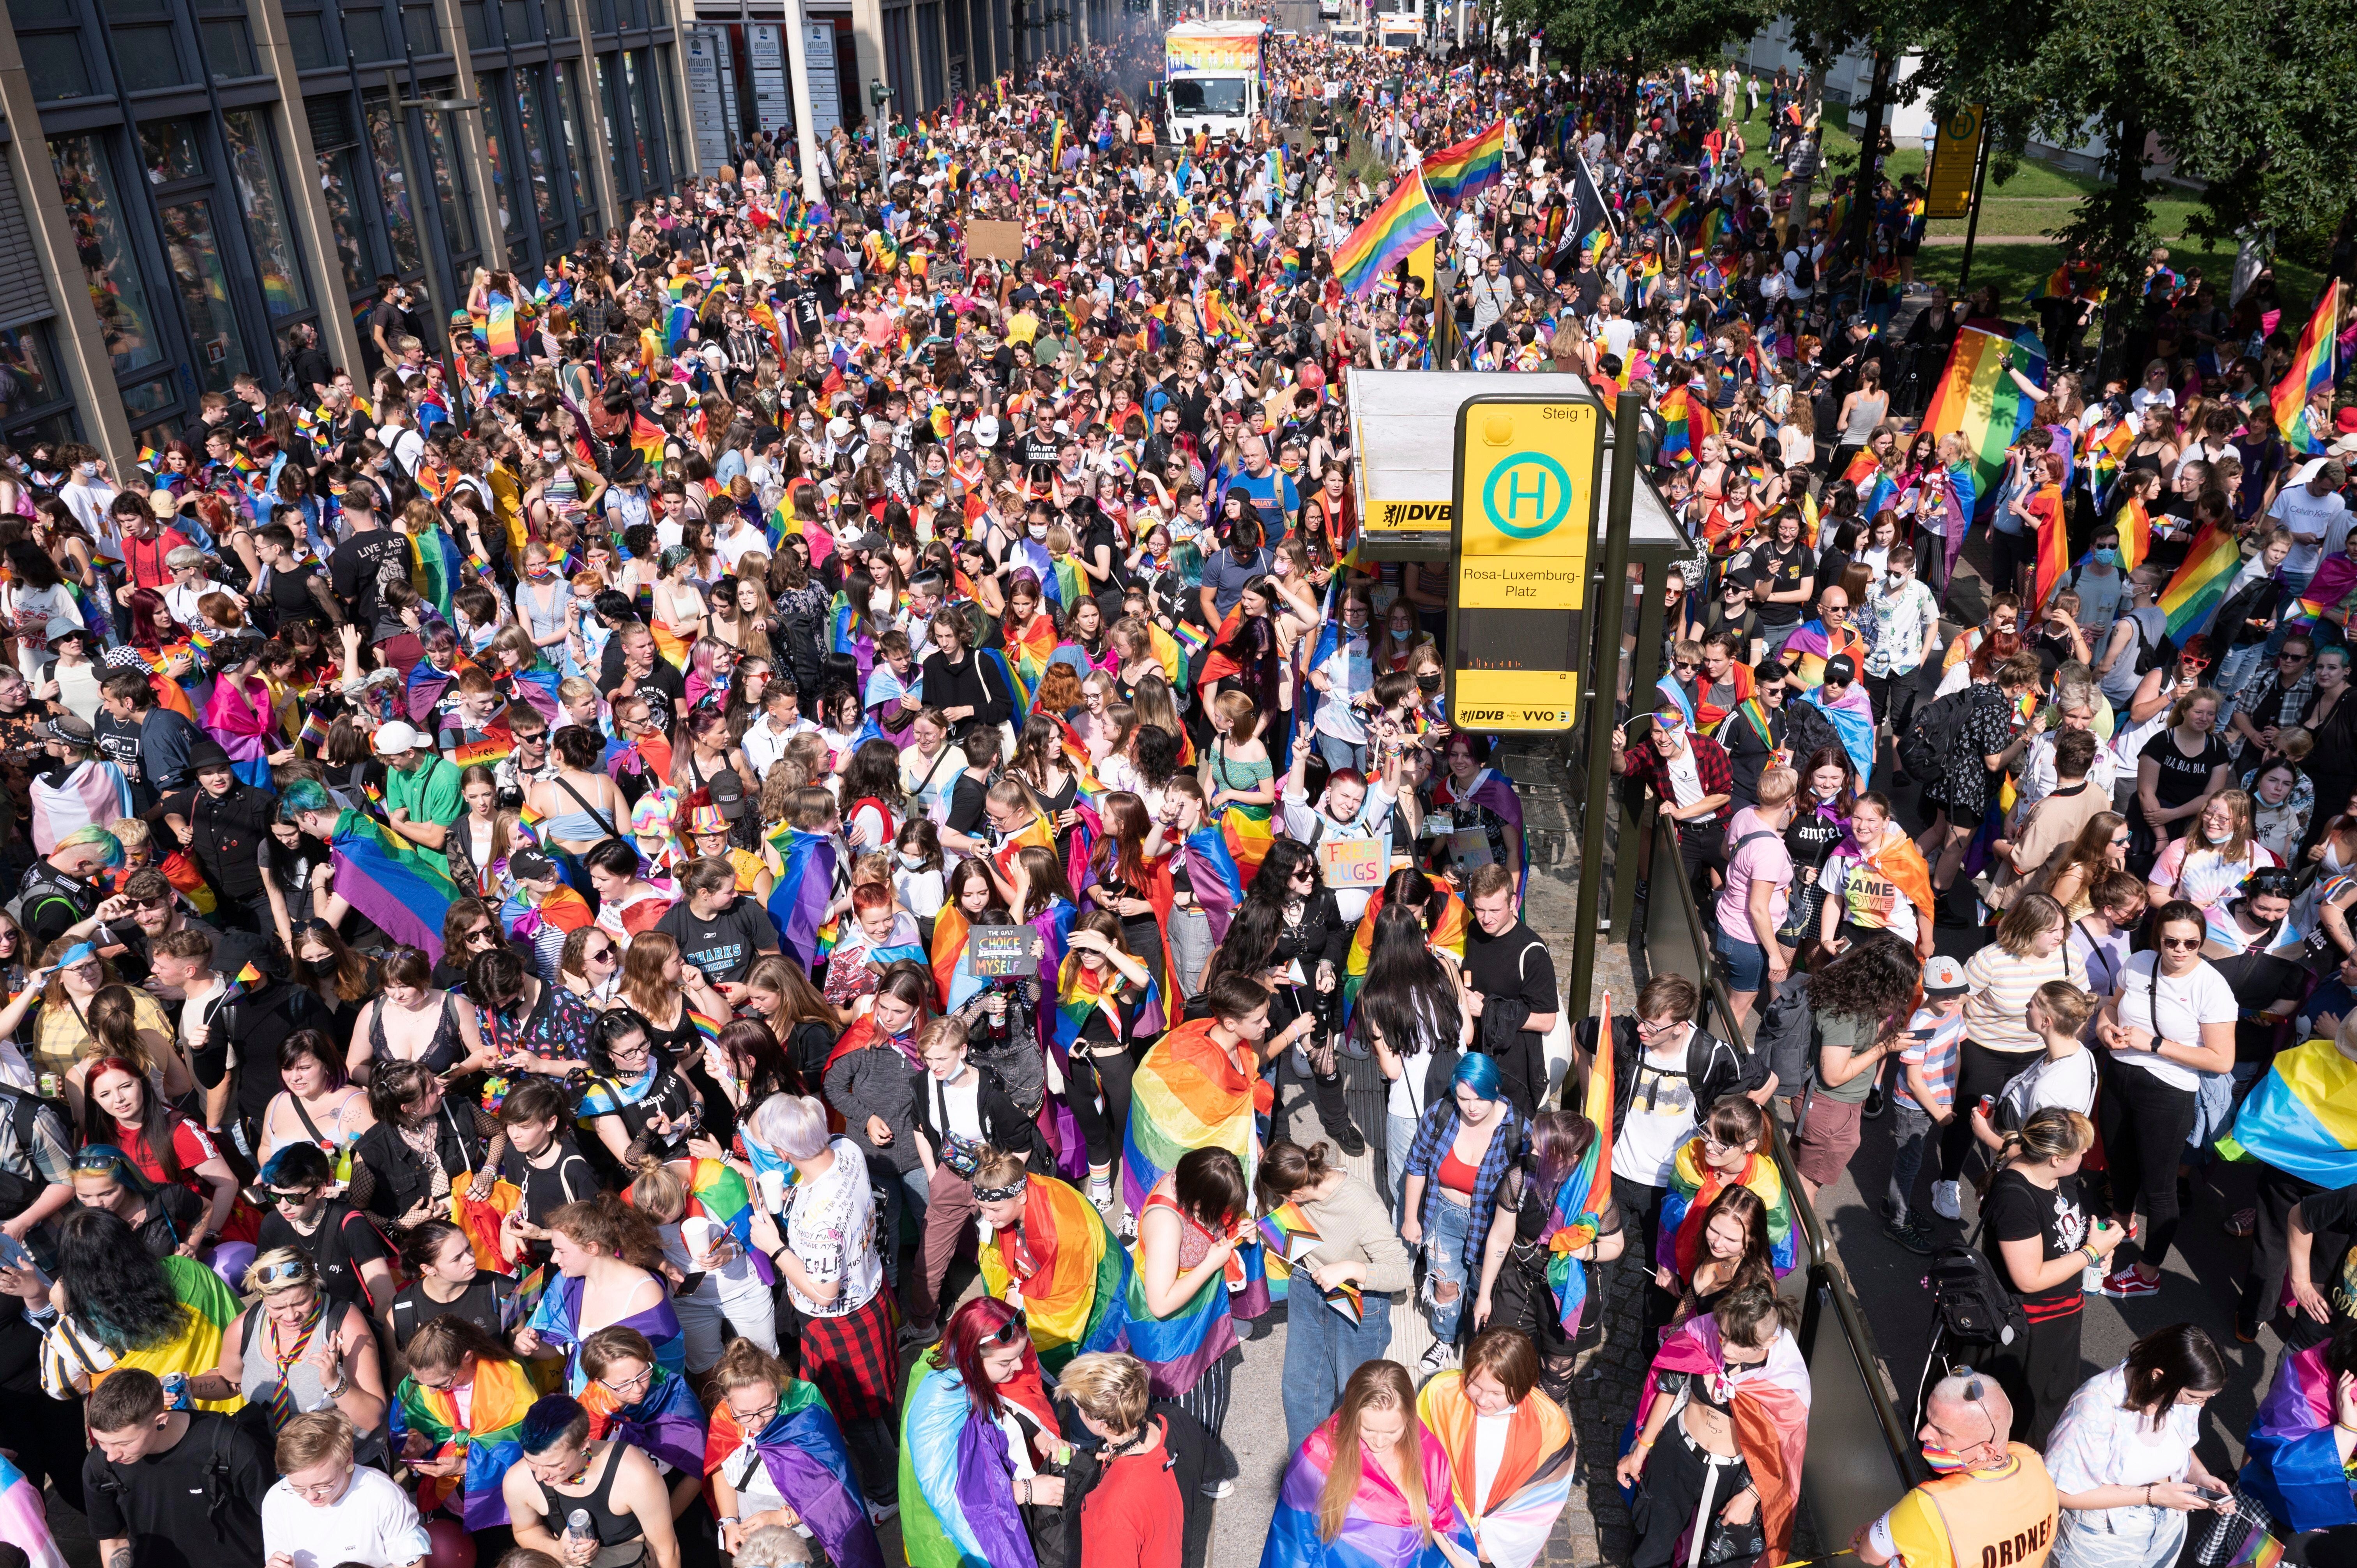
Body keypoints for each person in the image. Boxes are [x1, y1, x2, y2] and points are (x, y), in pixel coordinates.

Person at [740, 1094, 900, 1514]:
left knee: (857, 1414)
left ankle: (887, 1492)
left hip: (837, 1318)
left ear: (782, 1152)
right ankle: (899, 1455)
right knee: (880, 1397)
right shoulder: (846, 1148)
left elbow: (824, 1290)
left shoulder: (819, 1218)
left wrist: (774, 1248)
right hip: (872, 1294)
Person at [2092, 898, 2236, 1300]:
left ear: (2201, 943)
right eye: (2172, 941)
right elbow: (2112, 1005)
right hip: (2120, 1075)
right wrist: (2106, 1029)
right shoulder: (2139, 962)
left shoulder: (2212, 987)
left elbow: (2222, 1059)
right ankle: (2122, 1222)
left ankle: (2148, 1271)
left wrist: (2155, 1044)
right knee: (2118, 1162)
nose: (2180, 950)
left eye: (2191, 944)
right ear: (2159, 937)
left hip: (2169, 1091)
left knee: (2159, 1187)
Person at [1618, 1285, 1813, 1568]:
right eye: (1724, 1333)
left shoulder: (1786, 1385)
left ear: (1769, 1342)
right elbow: (1669, 1387)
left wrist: (1751, 1496)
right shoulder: (1702, 1334)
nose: (1726, 1347)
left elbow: (1785, 1452)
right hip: (1677, 1454)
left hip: (1732, 1477)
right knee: (1651, 1544)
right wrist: (1641, 1451)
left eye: (1741, 1344)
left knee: (1720, 1557)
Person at [1969, 1108, 2122, 1447]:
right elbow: (2029, 1279)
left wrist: (2097, 1248)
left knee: (2051, 1405)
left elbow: (2070, 1234)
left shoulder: (2059, 1176)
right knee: (2016, 1417)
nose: (2086, 1156)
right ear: (2054, 1158)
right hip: (2027, 1329)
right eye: (2081, 1151)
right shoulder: (2015, 1198)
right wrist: (2091, 1253)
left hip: (2064, 1315)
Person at [1256, 1138, 1414, 1454]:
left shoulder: (1362, 1206)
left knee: (1353, 1397)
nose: (1281, 1202)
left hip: (1356, 1303)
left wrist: (1350, 1268)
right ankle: (1307, 1474)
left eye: (1283, 1197)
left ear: (1298, 1193)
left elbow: (1401, 1272)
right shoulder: (1303, 1182)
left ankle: (1350, 1475)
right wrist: (1262, 1230)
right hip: (1307, 1286)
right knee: (1300, 1391)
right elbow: (1293, 1230)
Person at [2043, 1324, 2235, 1568]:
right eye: (2193, 1396)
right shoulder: (2096, 1405)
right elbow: (2063, 1491)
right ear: (2158, 1376)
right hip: (2102, 1537)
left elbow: (2180, 1444)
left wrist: (2200, 1476)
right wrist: (2152, 1496)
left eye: (2209, 1398)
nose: (2200, 1406)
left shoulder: (2181, 1397)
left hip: (2168, 1524)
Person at [898, 1294, 1068, 1568]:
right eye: (1006, 1363)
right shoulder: (936, 1406)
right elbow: (953, 1501)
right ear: (972, 1357)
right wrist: (1026, 1491)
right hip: (955, 1545)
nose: (1020, 1367)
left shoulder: (961, 1371)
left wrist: (1039, 1435)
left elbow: (1001, 1406)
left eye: (1020, 1355)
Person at [1258, 1359, 1473, 1568]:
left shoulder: (1427, 1452)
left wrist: (1460, 1561)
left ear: (1409, 1419)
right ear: (1352, 1416)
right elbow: (1294, 1538)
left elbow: (1438, 1517)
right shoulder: (1319, 1455)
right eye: (1368, 1430)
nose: (1379, 1442)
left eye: (1392, 1432)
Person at [702, 1337, 886, 1568]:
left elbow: (835, 1490)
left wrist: (782, 1517)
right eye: (744, 1413)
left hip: (811, 1541)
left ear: (778, 1389)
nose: (757, 1422)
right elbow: (722, 1469)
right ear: (727, 1401)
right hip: (757, 1548)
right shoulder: (725, 1418)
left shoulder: (805, 1411)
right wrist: (729, 1521)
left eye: (767, 1408)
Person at [1852, 1372, 2061, 1568]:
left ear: (1986, 1452)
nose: (1924, 1434)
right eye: (1929, 1420)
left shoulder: (1930, 1504)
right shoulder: (2032, 1460)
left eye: (1941, 1431)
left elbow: (1870, 1553)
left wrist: (1891, 1525)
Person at [1401, 1054, 1524, 1376]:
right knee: (1445, 1284)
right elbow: (1416, 1164)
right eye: (1463, 1097)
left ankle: (1477, 1349)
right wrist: (1411, 1218)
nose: (1471, 1107)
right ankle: (1445, 1338)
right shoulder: (1441, 1114)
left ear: (1496, 1089)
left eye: (1481, 1099)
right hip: (1443, 1214)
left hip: (1489, 1222)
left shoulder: (1518, 1129)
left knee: (1484, 1290)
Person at [1416, 1328, 1576, 1568]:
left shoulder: (1550, 1427)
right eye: (1475, 1385)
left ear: (1522, 1388)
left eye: (1496, 1393)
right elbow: (1419, 1460)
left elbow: (1542, 1504)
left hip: (1496, 1549)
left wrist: (1491, 1546)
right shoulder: (1441, 1395)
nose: (1482, 1400)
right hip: (1442, 1526)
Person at [82, 1368, 274, 1568]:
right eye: (102, 1442)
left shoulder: (230, 1446)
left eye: (124, 1443)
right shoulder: (100, 1466)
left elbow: (274, 1519)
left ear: (161, 1421)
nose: (112, 1455)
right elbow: (113, 1541)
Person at [972, 1147, 1133, 1374]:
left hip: (1097, 1295)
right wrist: (1012, 1287)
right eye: (982, 1208)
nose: (987, 1217)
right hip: (1039, 1278)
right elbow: (997, 1260)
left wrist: (1022, 1301)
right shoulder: (1006, 1203)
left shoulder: (1063, 1224)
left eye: (995, 1209)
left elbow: (1069, 1296)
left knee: (1093, 1363)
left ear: (1022, 1197)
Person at [392, 1315, 542, 1533]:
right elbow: (408, 1427)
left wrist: (466, 1467)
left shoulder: (508, 1384)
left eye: (442, 1383)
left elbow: (525, 1451)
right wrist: (423, 1444)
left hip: (502, 1503)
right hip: (448, 1498)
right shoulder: (423, 1380)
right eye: (422, 1383)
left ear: (467, 1358)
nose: (431, 1392)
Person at [1055, 1351, 1203, 1568]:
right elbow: (1210, 1468)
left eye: (1078, 1408)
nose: (1077, 1412)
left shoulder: (1115, 1510)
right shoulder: (1169, 1418)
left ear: (1099, 1422)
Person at [498, 1395, 680, 1568]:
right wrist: (556, 1550)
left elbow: (667, 1550)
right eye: (531, 1462)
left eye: (554, 1465)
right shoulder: (518, 1480)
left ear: (584, 1445)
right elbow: (526, 1530)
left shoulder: (633, 1474)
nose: (540, 1476)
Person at [260, 1409, 431, 1568]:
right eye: (298, 1488)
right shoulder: (277, 1499)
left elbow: (411, 1562)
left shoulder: (382, 1496)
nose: (311, 1496)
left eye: (323, 1485)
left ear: (348, 1460)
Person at [1460, 863, 1560, 1119]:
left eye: (1495, 910)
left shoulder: (1533, 953)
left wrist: (1487, 1011)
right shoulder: (1474, 930)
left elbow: (1547, 1020)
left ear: (1513, 901)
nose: (1486, 918)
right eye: (1480, 909)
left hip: (1514, 1069)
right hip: (1477, 1055)